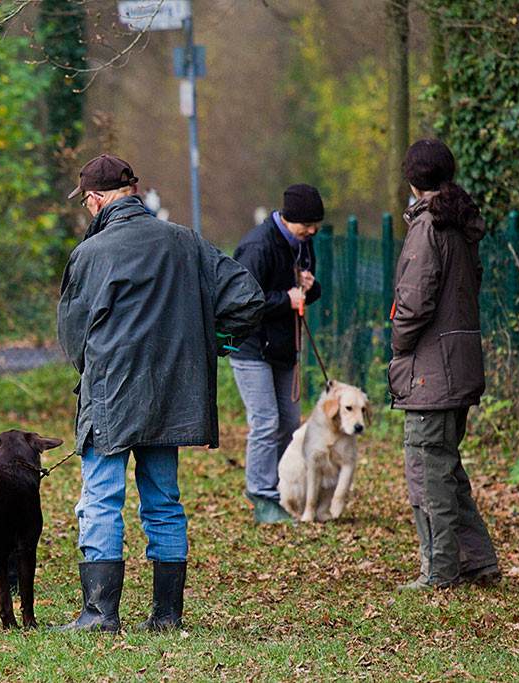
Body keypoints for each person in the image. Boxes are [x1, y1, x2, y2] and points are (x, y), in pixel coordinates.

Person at [55, 155, 264, 632]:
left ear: (95, 198)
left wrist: (93, 372)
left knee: (101, 499)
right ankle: (167, 616)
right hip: (172, 394)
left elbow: (73, 333)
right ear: (134, 190)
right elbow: (248, 298)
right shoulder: (187, 242)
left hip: (110, 394)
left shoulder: (90, 254)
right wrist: (217, 342)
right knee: (164, 501)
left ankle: (99, 614)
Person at [389, 138, 500, 590]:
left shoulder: (427, 225)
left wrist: (398, 343)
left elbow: (414, 301)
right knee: (447, 467)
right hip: (461, 359)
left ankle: (440, 572)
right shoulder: (459, 221)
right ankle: (479, 562)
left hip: (430, 369)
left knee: (427, 469)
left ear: (414, 179)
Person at [230, 184, 324, 524]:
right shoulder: (258, 245)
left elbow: (305, 294)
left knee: (288, 423)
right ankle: (261, 495)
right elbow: (238, 302)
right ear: (289, 218)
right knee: (265, 422)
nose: (313, 231)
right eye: (308, 225)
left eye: (317, 225)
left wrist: (309, 290)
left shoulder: (303, 243)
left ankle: (281, 488)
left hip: (284, 345)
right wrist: (287, 299)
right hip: (251, 347)